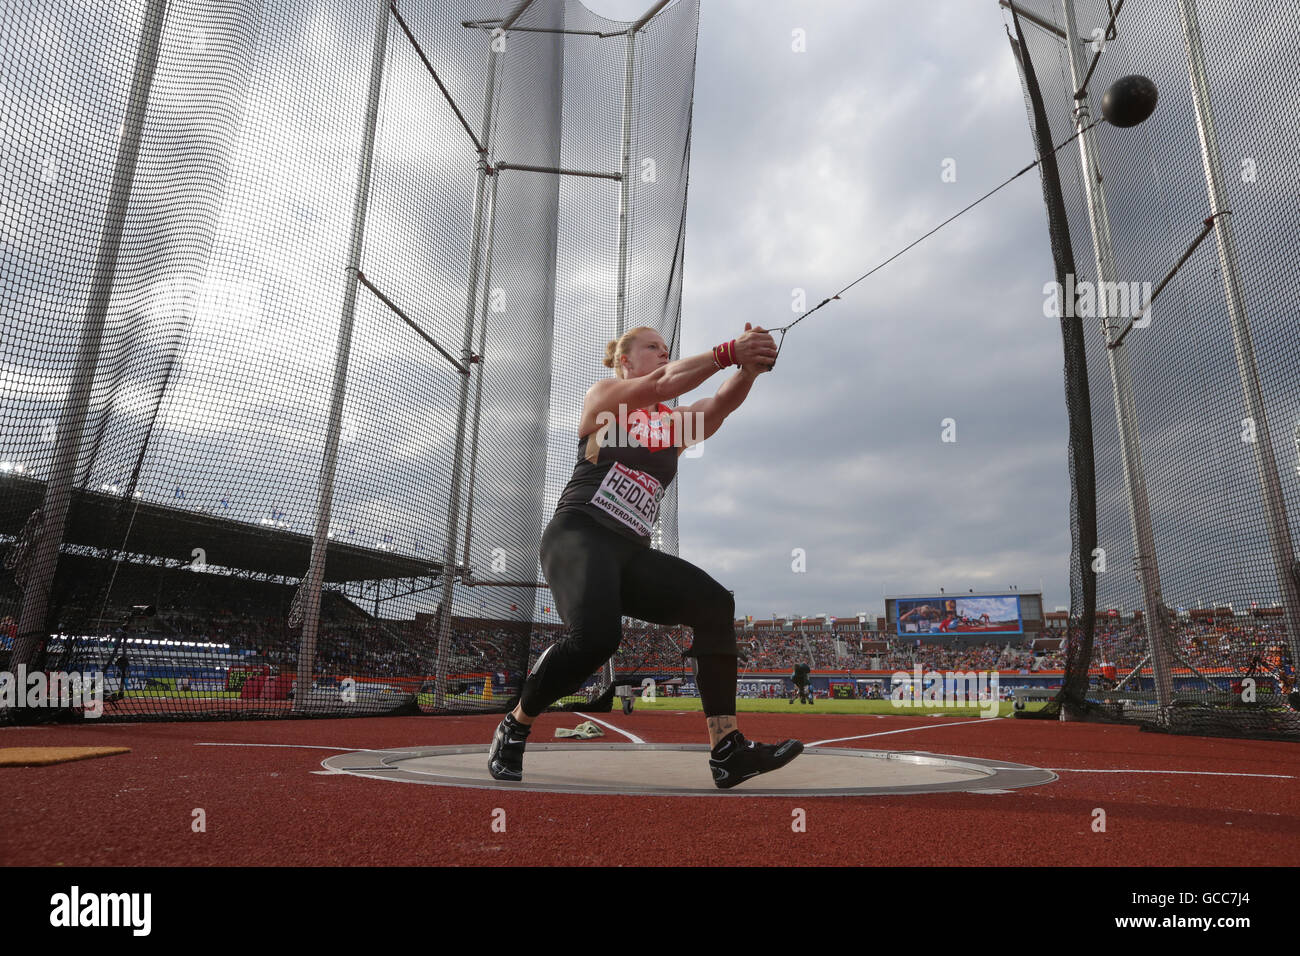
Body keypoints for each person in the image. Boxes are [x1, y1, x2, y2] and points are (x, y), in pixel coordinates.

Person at [488, 324, 802, 789]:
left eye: (667, 349)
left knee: (716, 604)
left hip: (630, 551)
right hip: (579, 535)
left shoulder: (671, 426)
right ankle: (516, 722)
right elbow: (660, 384)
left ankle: (727, 751)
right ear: (626, 362)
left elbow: (715, 408)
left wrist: (749, 371)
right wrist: (727, 352)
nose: (663, 353)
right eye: (653, 347)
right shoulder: (607, 397)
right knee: (596, 639)